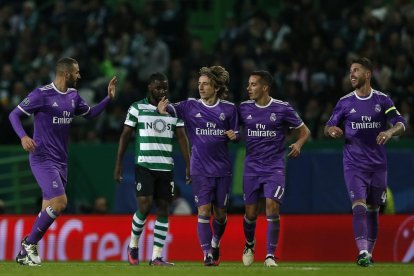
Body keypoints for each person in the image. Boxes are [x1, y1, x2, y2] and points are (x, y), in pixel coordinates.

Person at [8, 57, 117, 266]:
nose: (79, 76)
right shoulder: (42, 94)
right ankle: (29, 243)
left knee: (48, 208)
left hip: (61, 161)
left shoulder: (74, 96)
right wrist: (23, 136)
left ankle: (24, 253)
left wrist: (108, 99)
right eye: (76, 72)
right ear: (66, 74)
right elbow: (14, 115)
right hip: (42, 158)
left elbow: (90, 114)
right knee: (60, 203)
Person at [325, 57, 406, 266]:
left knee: (373, 209)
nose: (351, 74)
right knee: (358, 206)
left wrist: (389, 131)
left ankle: (369, 254)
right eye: (350, 70)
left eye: (356, 70)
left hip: (378, 165)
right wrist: (332, 130)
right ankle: (362, 252)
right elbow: (329, 125)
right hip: (354, 164)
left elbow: (401, 123)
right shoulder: (344, 102)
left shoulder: (382, 100)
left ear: (368, 74)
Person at [158, 66, 239, 266]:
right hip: (199, 168)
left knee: (220, 215)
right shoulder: (190, 105)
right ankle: (206, 254)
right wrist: (162, 108)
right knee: (203, 211)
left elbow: (237, 134)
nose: (200, 87)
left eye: (205, 84)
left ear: (216, 87)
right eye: (199, 83)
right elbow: (170, 108)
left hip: (222, 169)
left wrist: (235, 136)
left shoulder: (229, 109)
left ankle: (216, 242)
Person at [114, 72, 190, 266]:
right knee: (145, 207)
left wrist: (189, 164)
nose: (162, 91)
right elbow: (125, 136)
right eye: (158, 87)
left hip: (165, 167)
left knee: (164, 209)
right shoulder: (137, 108)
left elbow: (182, 138)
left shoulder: (174, 111)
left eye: (165, 87)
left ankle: (156, 257)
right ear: (150, 88)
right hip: (145, 165)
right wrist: (118, 164)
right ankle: (133, 245)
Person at [238, 71, 311, 267]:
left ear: (265, 87)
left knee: (272, 207)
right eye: (248, 84)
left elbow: (305, 131)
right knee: (251, 213)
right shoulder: (243, 108)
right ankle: (249, 244)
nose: (248, 88)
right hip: (251, 167)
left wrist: (298, 144)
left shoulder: (282, 108)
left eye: (253, 84)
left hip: (274, 167)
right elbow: (234, 129)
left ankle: (270, 255)